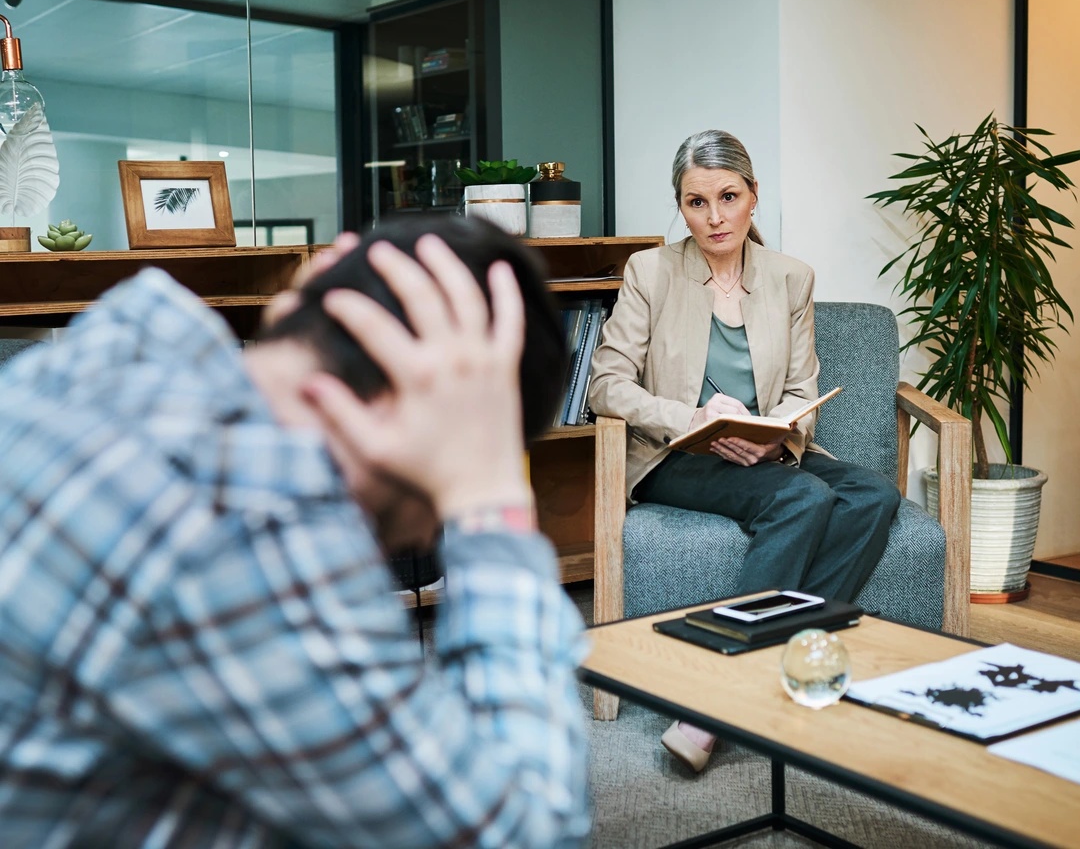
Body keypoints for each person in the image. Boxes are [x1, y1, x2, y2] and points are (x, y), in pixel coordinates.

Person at [0, 215, 591, 847]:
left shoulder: (114, 355)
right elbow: (530, 832)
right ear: (411, 403)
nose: (423, 533)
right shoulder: (245, 530)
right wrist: (487, 493)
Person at [588, 130, 901, 773]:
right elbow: (607, 384)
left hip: (764, 450)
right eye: (696, 202)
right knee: (803, 497)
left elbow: (799, 390)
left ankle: (776, 663)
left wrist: (778, 433)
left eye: (728, 197)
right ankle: (712, 700)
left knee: (875, 494)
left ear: (753, 196)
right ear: (681, 206)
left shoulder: (790, 278)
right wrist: (693, 417)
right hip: (676, 455)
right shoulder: (651, 271)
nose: (714, 217)